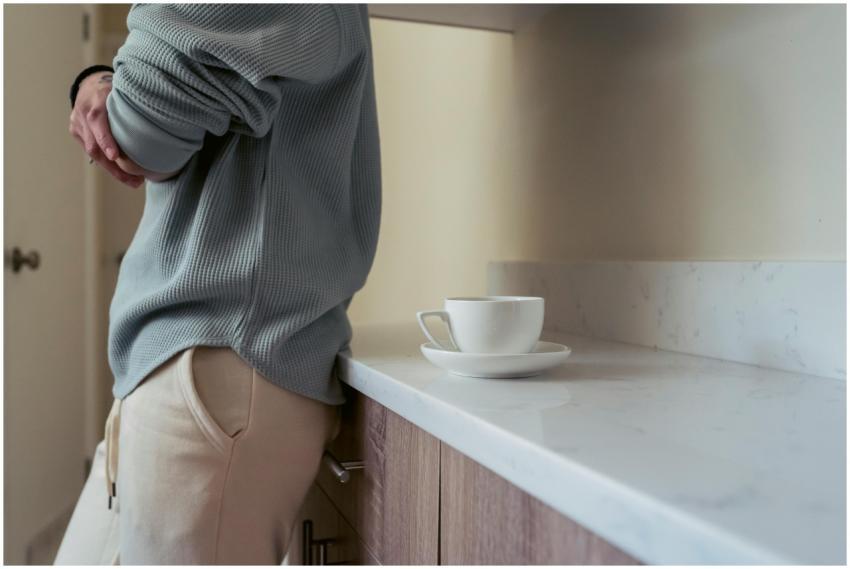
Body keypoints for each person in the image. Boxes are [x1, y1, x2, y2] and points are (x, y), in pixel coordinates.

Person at [57, 4, 381, 564]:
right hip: (197, 363)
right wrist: (98, 81)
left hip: (216, 364)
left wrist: (109, 85)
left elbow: (140, 136)